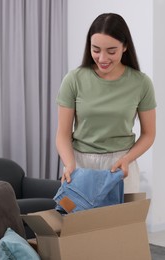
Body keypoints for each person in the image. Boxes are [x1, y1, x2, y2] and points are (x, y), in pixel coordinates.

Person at [55, 13, 156, 193]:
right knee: (78, 221)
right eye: (96, 50)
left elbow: (149, 134)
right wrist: (70, 164)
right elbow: (62, 134)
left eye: (111, 51)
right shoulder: (73, 80)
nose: (102, 58)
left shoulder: (141, 83)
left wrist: (127, 159)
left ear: (125, 47)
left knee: (122, 222)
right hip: (80, 165)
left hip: (120, 166)